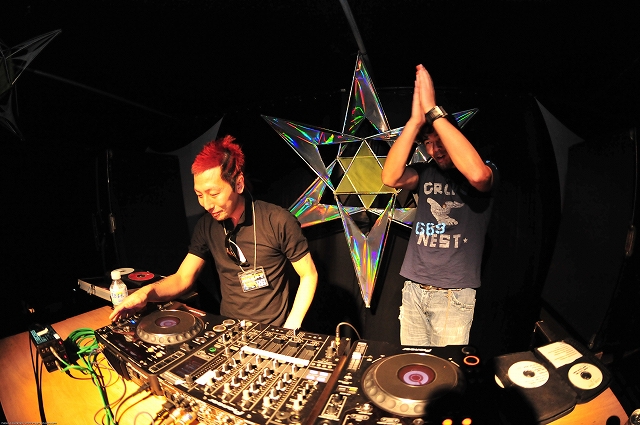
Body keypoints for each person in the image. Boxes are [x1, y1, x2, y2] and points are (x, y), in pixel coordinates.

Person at [110, 135, 318, 329]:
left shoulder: (278, 220)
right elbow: (183, 277)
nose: (206, 204)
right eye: (199, 195)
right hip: (228, 329)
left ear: (238, 184)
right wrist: (145, 293)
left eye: (214, 193)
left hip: (271, 331)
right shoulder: (206, 226)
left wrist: (290, 327)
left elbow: (308, 274)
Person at [381, 64, 498, 346]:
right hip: (414, 289)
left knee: (447, 370)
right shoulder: (425, 172)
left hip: (453, 296)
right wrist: (414, 122)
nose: (436, 149)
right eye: (429, 143)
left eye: (441, 140)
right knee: (414, 364)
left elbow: (478, 176)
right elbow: (390, 177)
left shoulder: (486, 168)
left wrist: (433, 111)